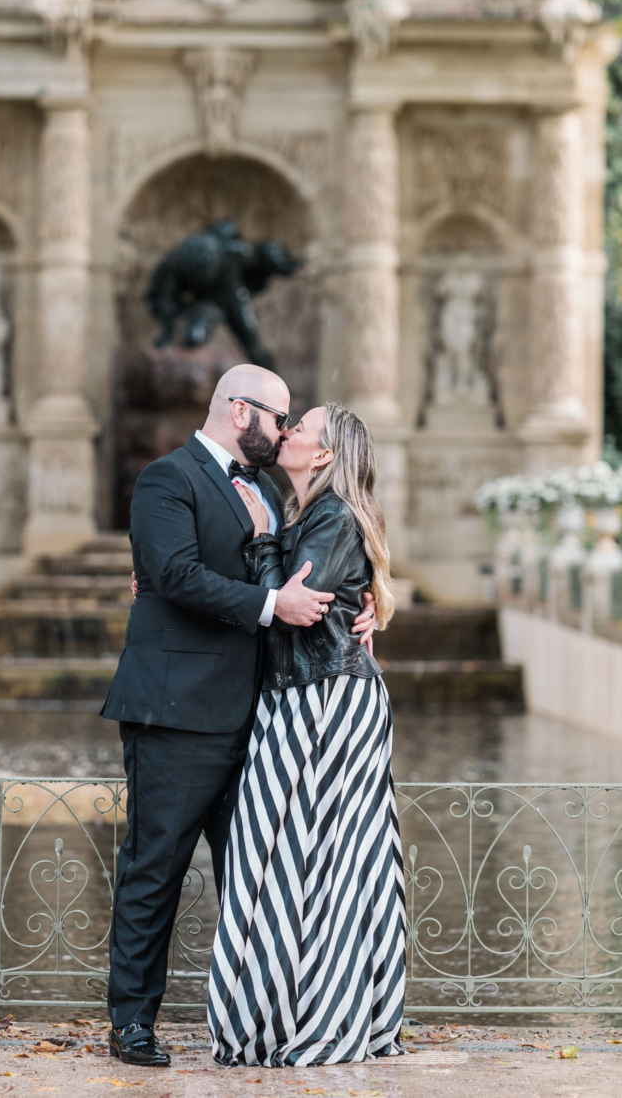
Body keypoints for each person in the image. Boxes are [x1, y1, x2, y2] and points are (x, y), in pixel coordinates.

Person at [102, 366, 378, 1067]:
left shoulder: (267, 490)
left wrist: (364, 602)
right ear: (237, 410)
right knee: (155, 868)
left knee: (257, 880)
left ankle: (260, 1023)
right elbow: (172, 573)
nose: (284, 431)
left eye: (293, 423)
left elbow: (313, 560)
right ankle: (132, 1021)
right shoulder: (169, 478)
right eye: (276, 417)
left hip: (260, 721)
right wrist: (269, 606)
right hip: (177, 712)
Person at [208, 402, 406, 1066]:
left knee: (314, 862)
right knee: (304, 860)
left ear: (324, 454)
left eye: (302, 428)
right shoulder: (306, 511)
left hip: (324, 704)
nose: (286, 432)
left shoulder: (328, 516)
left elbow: (296, 606)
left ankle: (317, 1019)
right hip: (306, 698)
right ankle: (297, 1012)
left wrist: (264, 540)